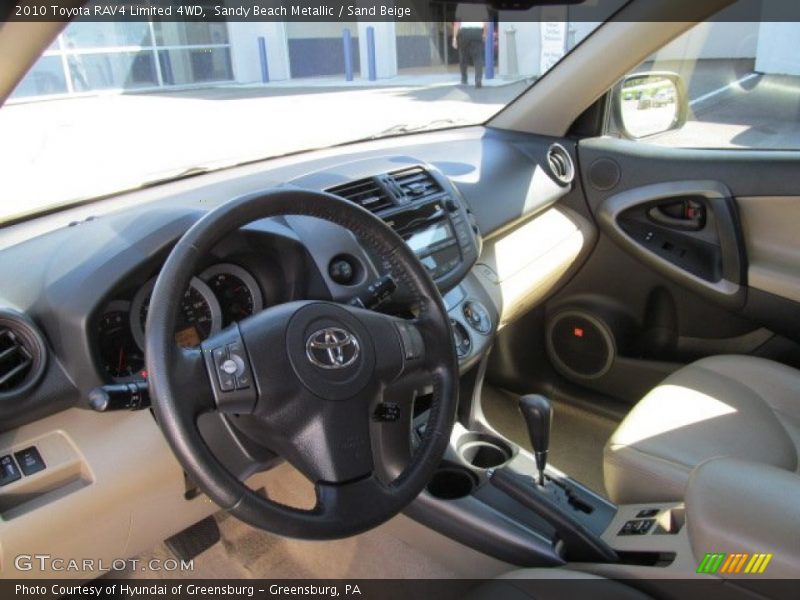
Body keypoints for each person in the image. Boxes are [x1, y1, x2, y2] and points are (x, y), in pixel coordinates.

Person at [453, 3, 489, 88]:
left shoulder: (461, 5)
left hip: (465, 33)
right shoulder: (481, 5)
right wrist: (484, 34)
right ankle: (478, 80)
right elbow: (486, 23)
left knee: (463, 56)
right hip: (477, 32)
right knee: (478, 57)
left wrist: (454, 37)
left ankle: (464, 78)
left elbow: (457, 23)